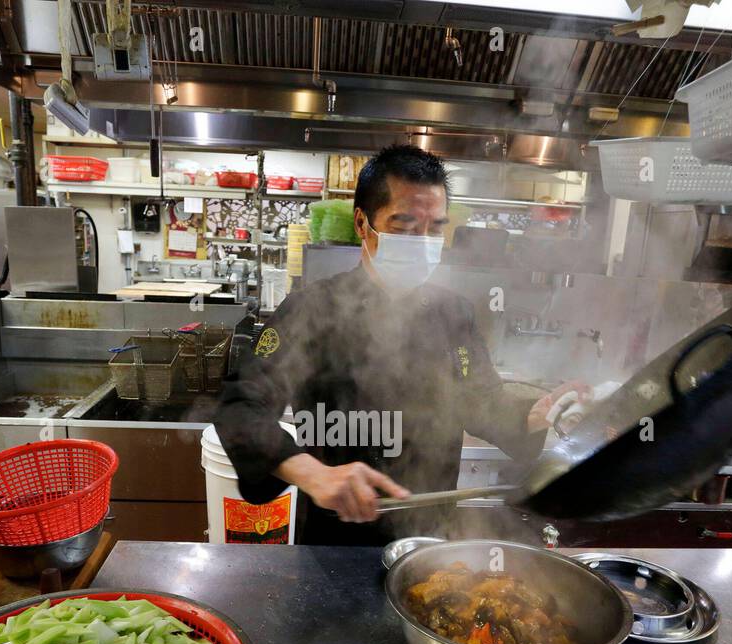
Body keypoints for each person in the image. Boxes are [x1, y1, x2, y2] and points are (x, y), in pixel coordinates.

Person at [214, 144, 585, 545]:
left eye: (434, 227)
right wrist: (312, 472)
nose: (422, 240)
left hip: (432, 541)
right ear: (362, 222)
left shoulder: (453, 312)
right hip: (336, 544)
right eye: (404, 225)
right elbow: (239, 407)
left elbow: (480, 400)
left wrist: (533, 415)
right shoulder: (312, 309)